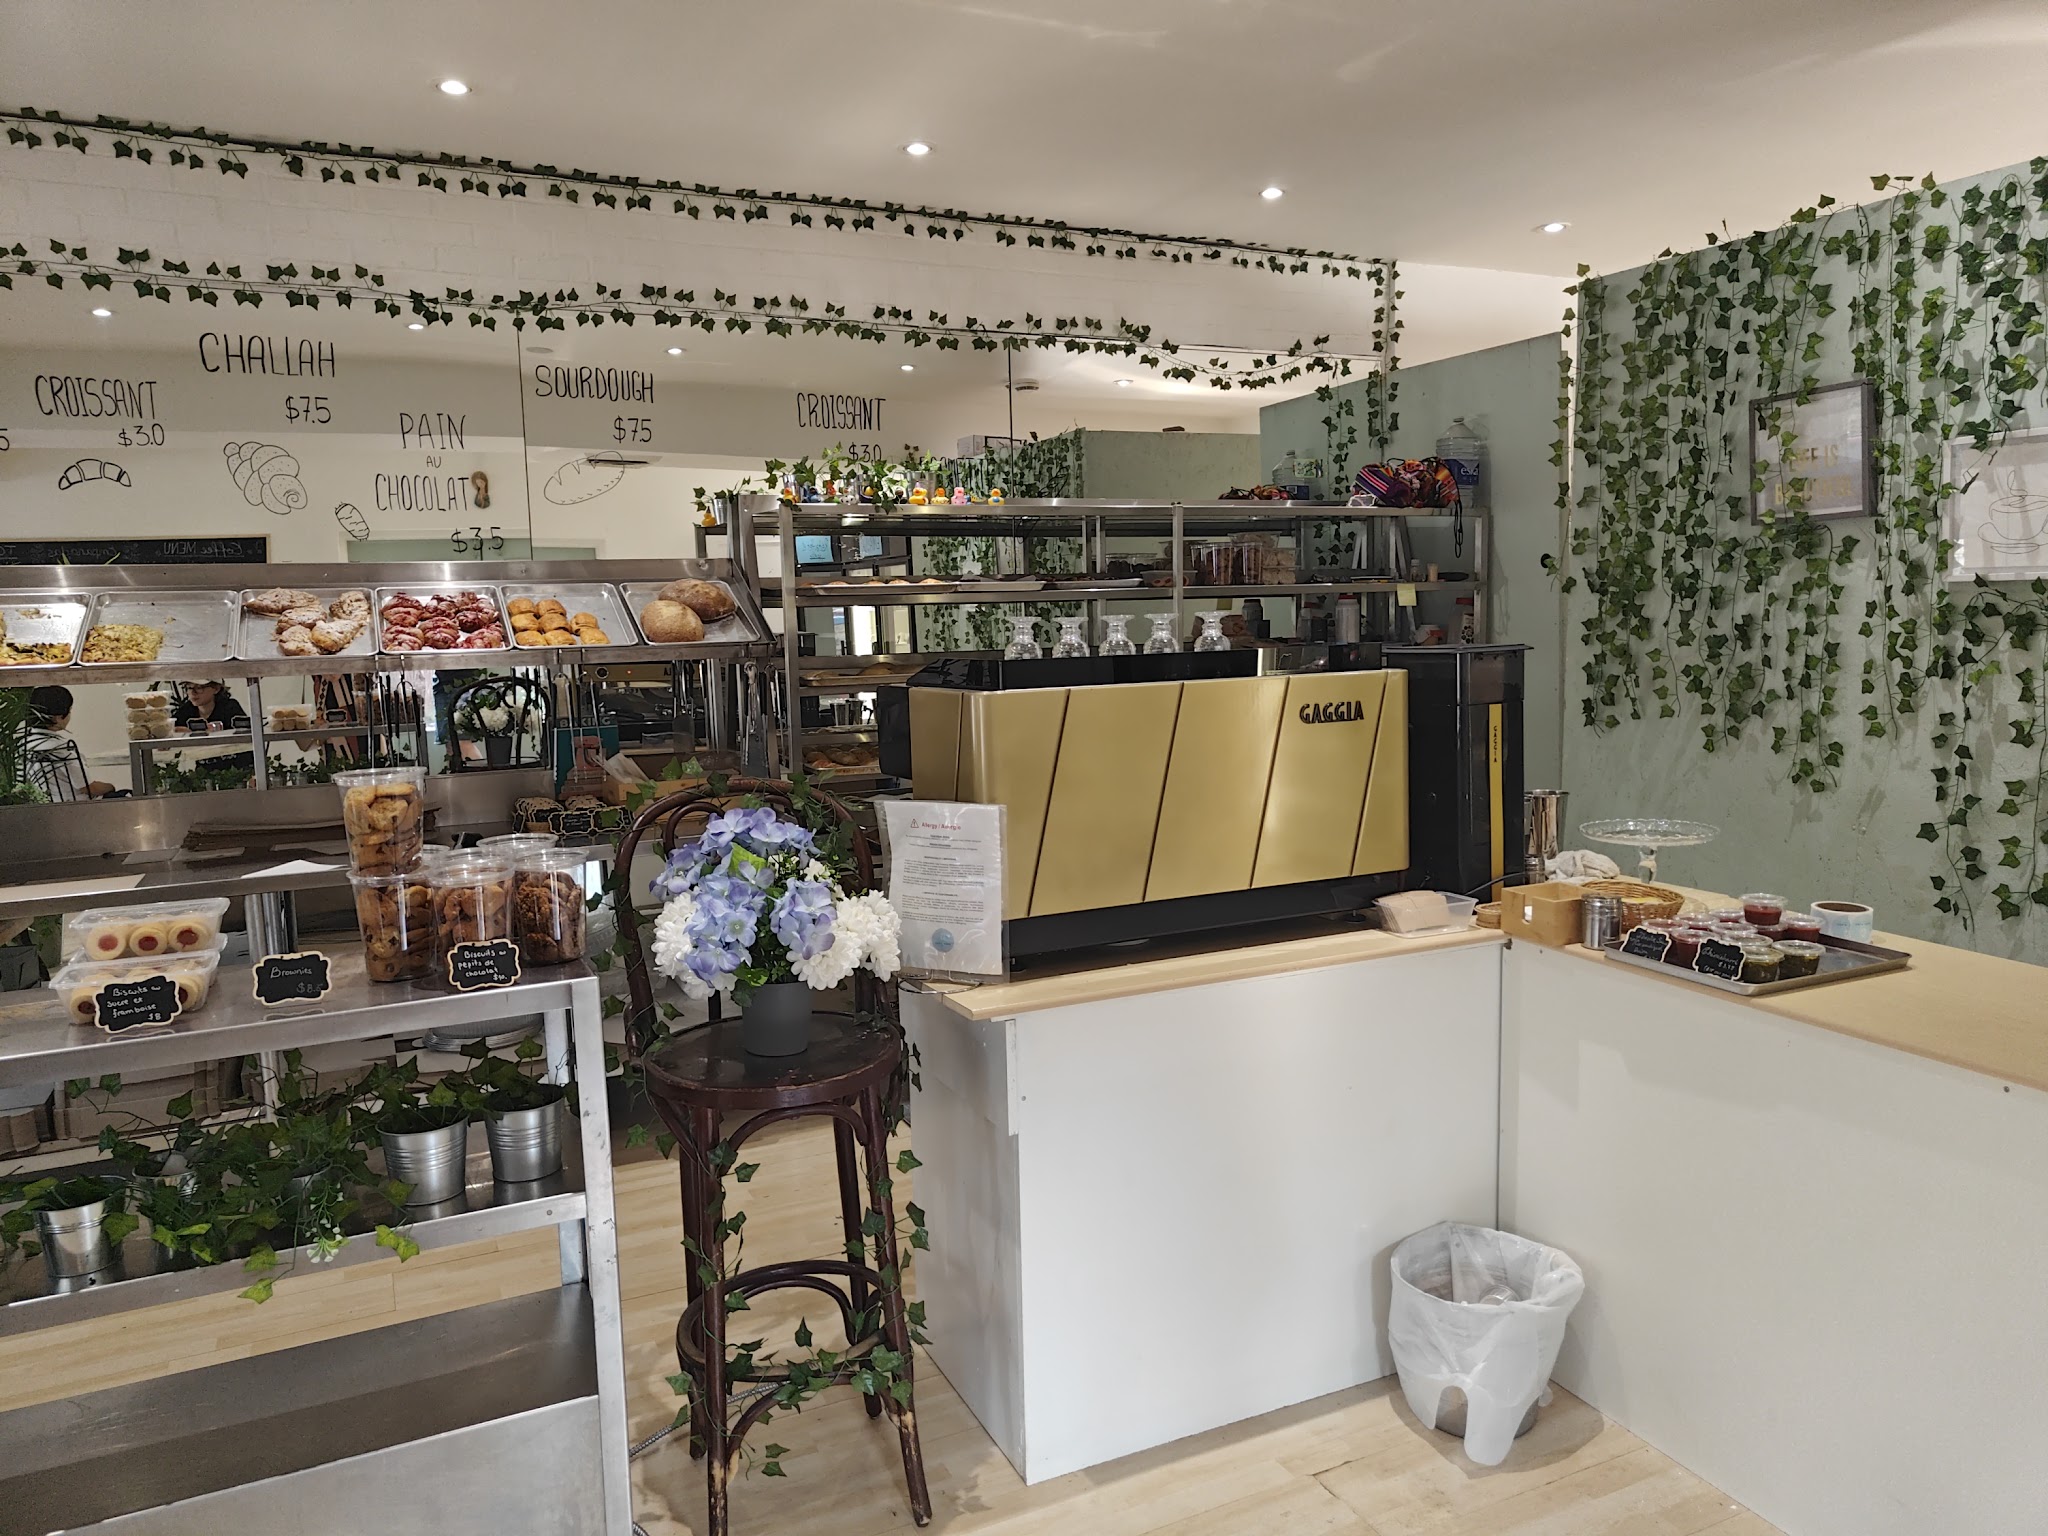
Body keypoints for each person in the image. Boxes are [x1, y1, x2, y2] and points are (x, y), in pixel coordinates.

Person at [26, 686, 116, 800]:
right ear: (58, 717)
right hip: (74, 808)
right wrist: (111, 787)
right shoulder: (60, 748)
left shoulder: (26, 744)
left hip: (44, 806)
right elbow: (87, 787)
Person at [172, 680, 250, 733]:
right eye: (189, 688)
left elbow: (245, 734)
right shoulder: (185, 710)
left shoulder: (230, 707)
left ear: (216, 689)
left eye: (199, 688)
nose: (193, 693)